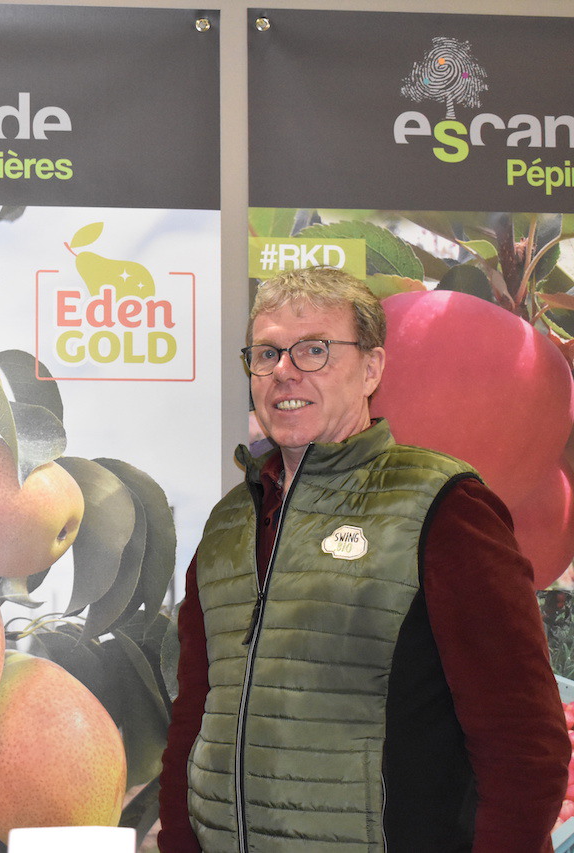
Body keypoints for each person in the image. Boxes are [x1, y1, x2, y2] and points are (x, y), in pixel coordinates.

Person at [158, 267, 570, 851]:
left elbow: (523, 741)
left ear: (372, 369)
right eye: (267, 353)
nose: (285, 371)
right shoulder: (229, 525)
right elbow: (194, 723)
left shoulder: (444, 507)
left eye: (315, 350)